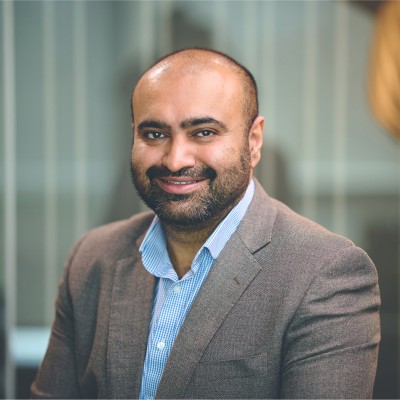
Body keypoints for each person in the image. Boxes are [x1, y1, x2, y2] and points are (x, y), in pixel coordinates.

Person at [31, 48, 380, 399]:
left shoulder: (325, 274)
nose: (175, 160)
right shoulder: (92, 260)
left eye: (204, 132)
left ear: (253, 141)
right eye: (154, 134)